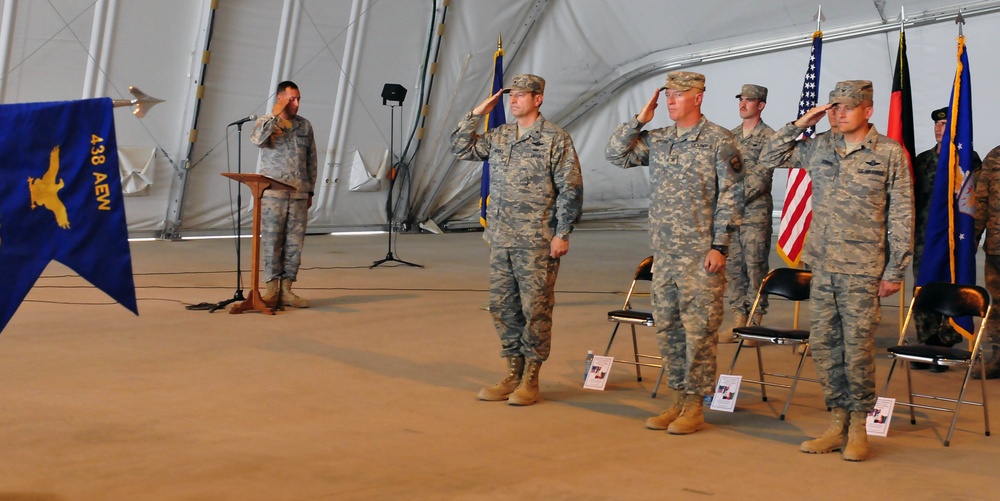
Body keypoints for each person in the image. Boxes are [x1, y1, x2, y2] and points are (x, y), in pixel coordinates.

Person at [759, 80, 913, 461]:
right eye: (833, 107)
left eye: (846, 107)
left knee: (857, 349)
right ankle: (836, 422)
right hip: (823, 265)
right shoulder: (820, 146)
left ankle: (859, 426)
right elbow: (768, 156)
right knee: (826, 348)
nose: (838, 113)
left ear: (867, 110)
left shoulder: (889, 154)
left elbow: (902, 213)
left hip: (863, 270)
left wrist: (895, 269)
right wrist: (801, 123)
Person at [605, 71, 742, 435]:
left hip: (700, 255)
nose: (671, 101)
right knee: (669, 329)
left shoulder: (718, 140)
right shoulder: (660, 139)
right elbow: (615, 154)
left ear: (698, 97)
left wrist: (720, 246)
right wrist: (639, 120)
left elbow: (731, 195)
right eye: (668, 95)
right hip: (665, 254)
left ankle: (696, 405)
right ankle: (678, 398)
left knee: (699, 331)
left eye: (679, 94)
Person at [451, 74, 584, 406]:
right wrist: (476, 112)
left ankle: (531, 377)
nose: (513, 100)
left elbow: (571, 189)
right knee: (502, 307)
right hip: (501, 237)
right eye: (511, 95)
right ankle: (513, 370)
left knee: (535, 309)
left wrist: (562, 233)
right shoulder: (500, 135)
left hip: (537, 240)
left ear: (538, 99)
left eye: (521, 95)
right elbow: (460, 147)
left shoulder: (555, 138)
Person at [912, 107, 982, 370]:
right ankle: (926, 340)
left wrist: (975, 235)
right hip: (924, 235)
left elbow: (973, 200)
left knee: (952, 284)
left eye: (945, 123)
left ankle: (945, 340)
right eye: (937, 124)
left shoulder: (968, 160)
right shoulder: (923, 160)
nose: (939, 128)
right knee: (925, 284)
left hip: (955, 236)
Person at [250, 81, 318, 308]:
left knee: (294, 244)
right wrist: (274, 115)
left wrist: (310, 190)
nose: (297, 103)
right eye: (292, 99)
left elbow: (311, 160)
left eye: (299, 99)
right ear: (280, 98)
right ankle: (270, 289)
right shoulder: (266, 122)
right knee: (272, 242)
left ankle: (287, 290)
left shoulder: (305, 126)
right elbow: (258, 139)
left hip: (299, 193)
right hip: (273, 195)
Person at [720, 84, 775, 342]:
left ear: (760, 105)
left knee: (754, 266)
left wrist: (732, 197)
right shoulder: (730, 137)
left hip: (755, 213)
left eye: (749, 100)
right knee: (733, 266)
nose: (742, 104)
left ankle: (754, 321)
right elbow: (722, 173)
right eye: (740, 99)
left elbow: (762, 177)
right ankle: (738, 320)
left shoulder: (769, 138)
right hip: (732, 215)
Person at [974, 145, 1000, 379]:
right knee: (997, 307)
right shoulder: (996, 156)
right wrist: (972, 237)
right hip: (996, 247)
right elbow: (981, 199)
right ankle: (999, 357)